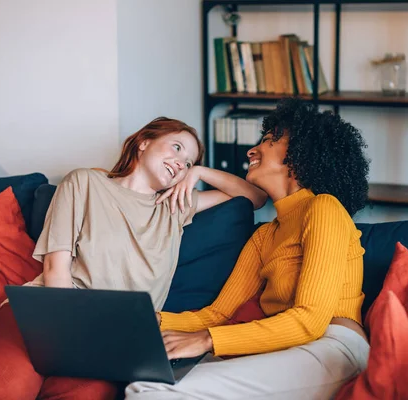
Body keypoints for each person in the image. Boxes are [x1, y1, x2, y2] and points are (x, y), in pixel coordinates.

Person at [0, 117, 267, 399]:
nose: (181, 162)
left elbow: (254, 197)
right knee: (3, 390)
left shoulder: (176, 209)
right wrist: (63, 338)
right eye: (176, 148)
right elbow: (56, 268)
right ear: (144, 142)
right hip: (48, 312)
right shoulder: (84, 183)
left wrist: (199, 174)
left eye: (189, 160)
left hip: (111, 337)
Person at [125, 98, 372, 400]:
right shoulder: (266, 235)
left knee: (153, 392)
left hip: (334, 347)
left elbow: (309, 320)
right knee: (145, 379)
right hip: (283, 346)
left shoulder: (323, 208)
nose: (252, 150)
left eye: (269, 140)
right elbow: (216, 313)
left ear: (300, 154)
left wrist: (206, 341)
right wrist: (148, 318)